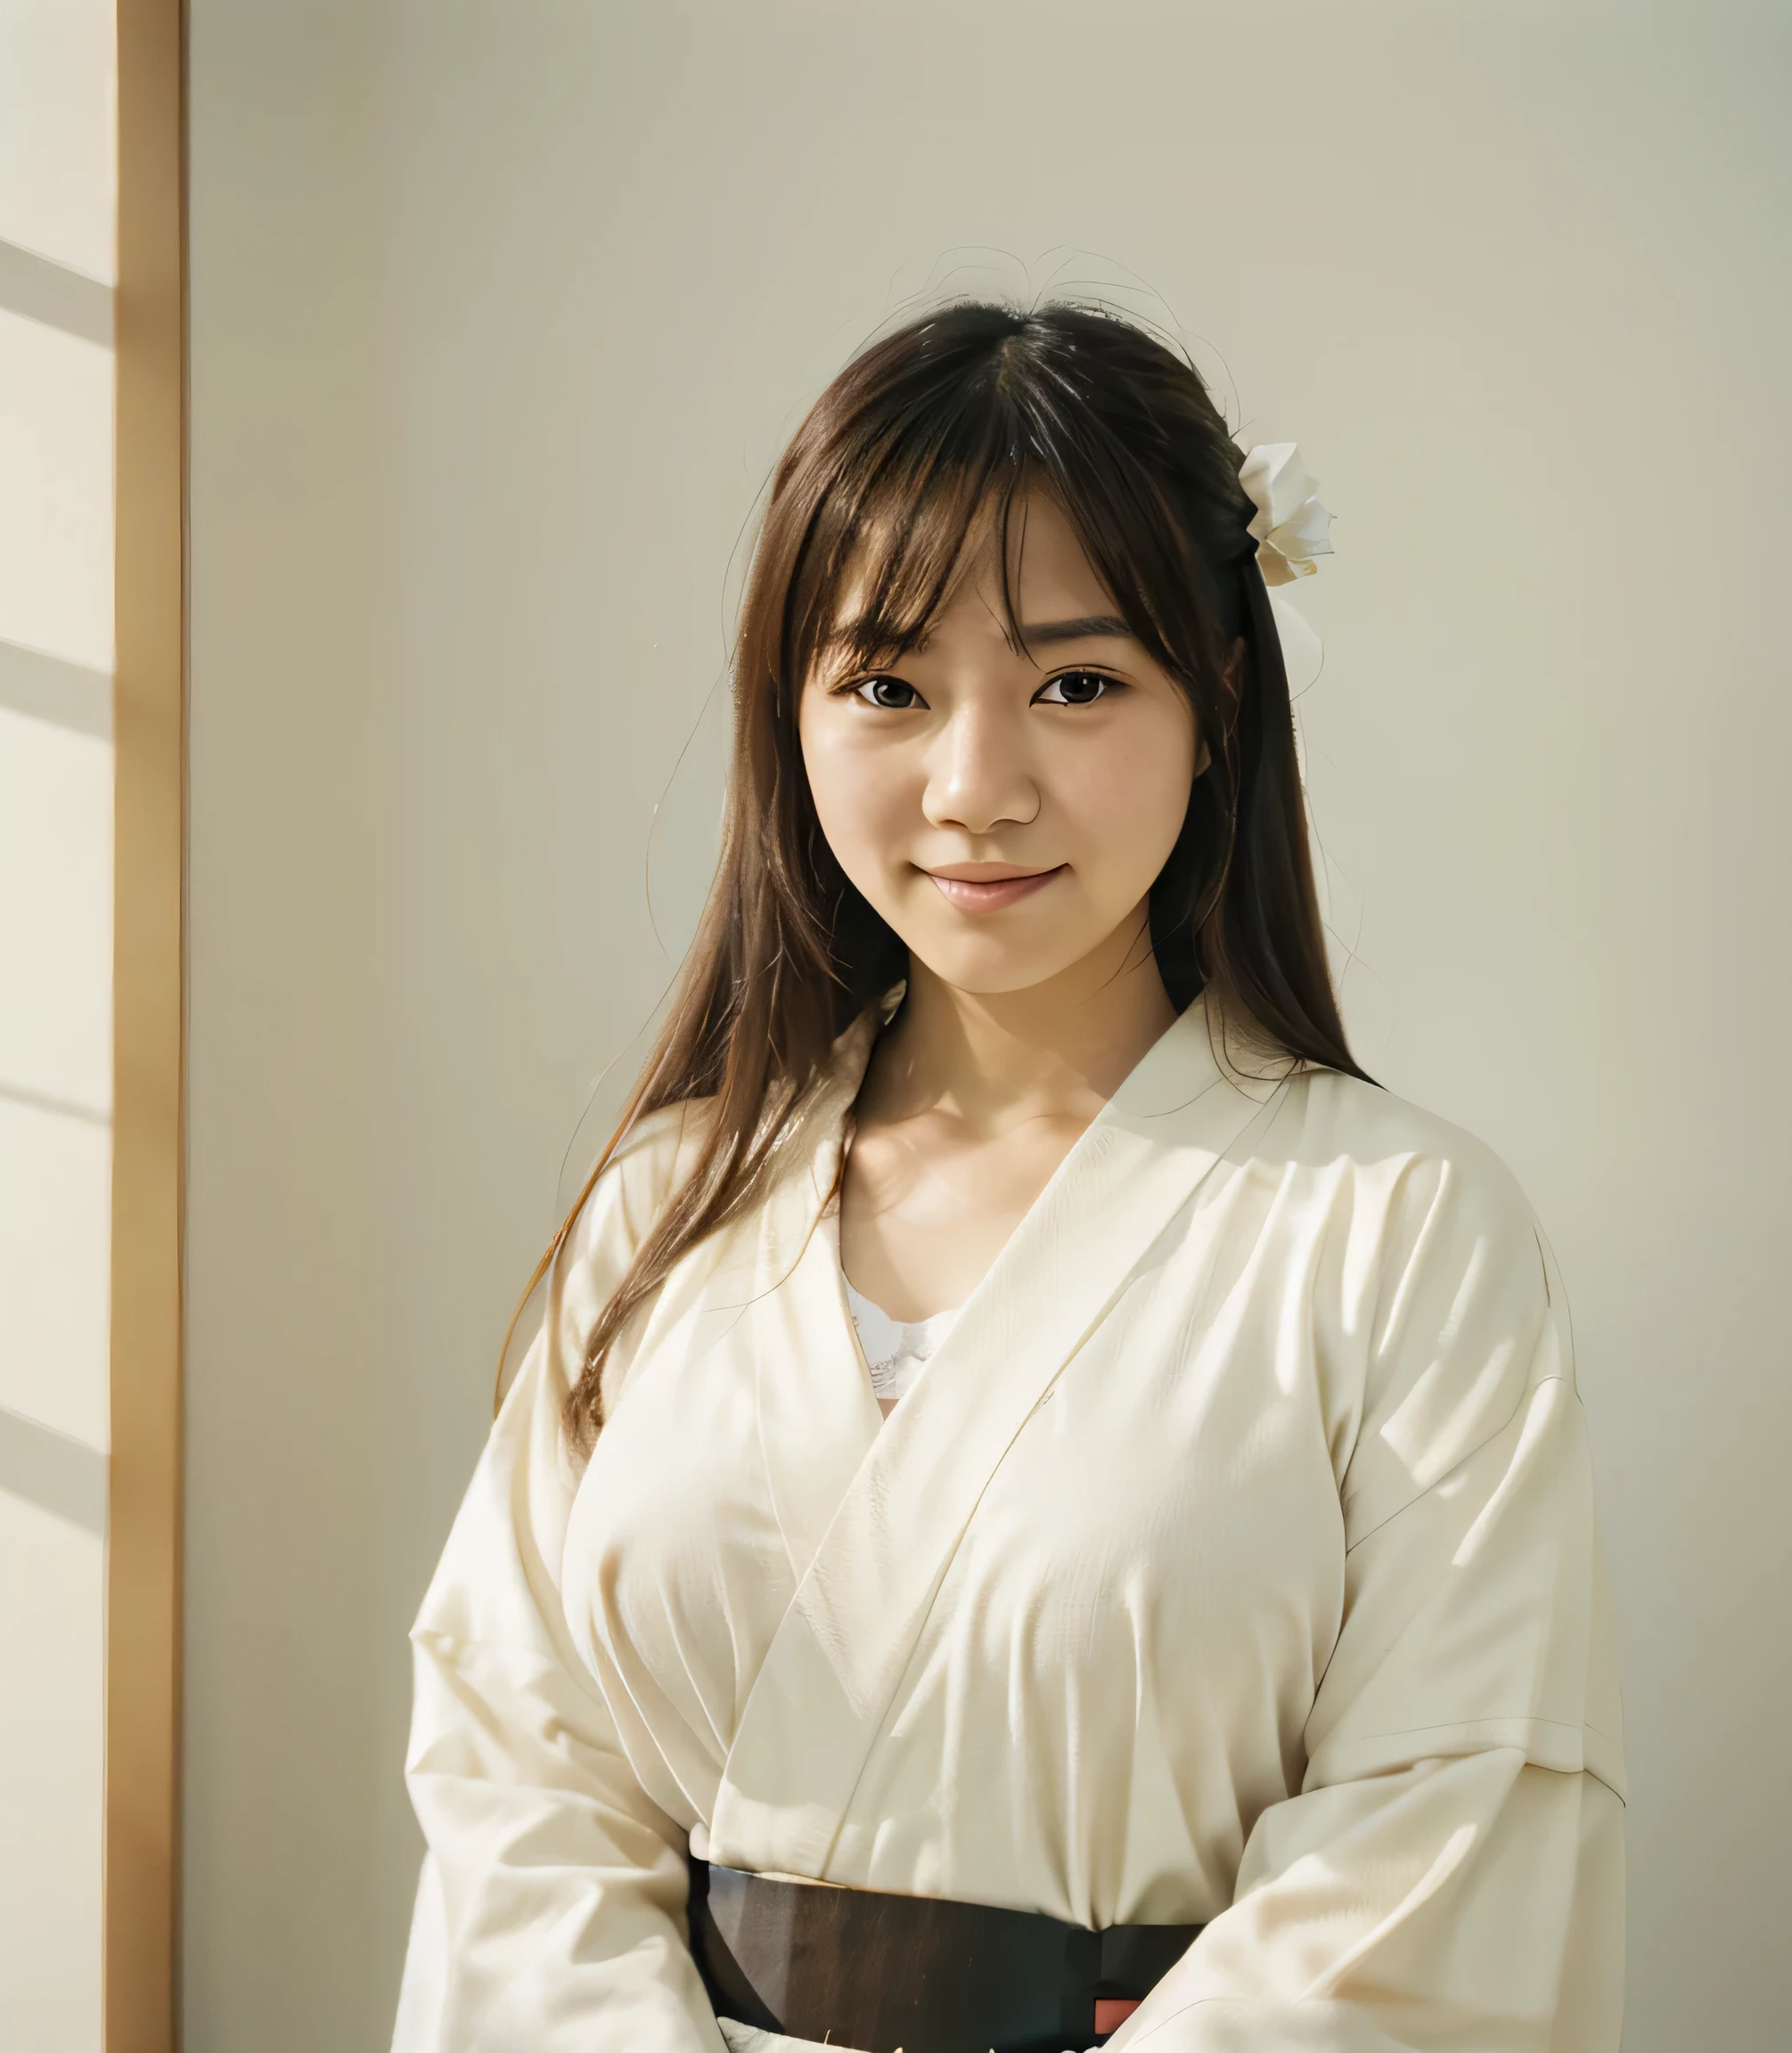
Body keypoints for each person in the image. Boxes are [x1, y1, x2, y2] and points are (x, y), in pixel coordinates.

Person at [391, 303, 1624, 2053]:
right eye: (888, 687)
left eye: (1076, 684)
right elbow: (516, 1778)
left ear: (1220, 705)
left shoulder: (1402, 1234)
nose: (976, 789)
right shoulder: (667, 1209)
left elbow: (1451, 1835)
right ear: (790, 714)